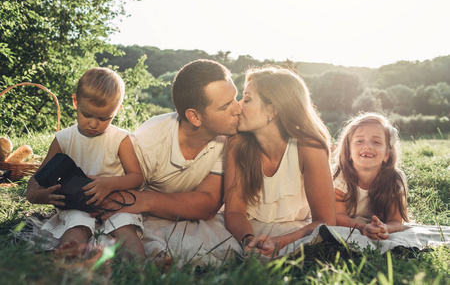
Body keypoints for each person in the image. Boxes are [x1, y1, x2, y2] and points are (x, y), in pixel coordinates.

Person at [97, 59, 242, 265]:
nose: (238, 109)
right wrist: (137, 199)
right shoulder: (150, 139)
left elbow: (208, 203)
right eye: (226, 106)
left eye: (235, 98)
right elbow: (114, 201)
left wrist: (145, 199)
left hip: (154, 207)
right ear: (195, 117)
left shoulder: (227, 138)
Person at [26, 67, 145, 259]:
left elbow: (137, 177)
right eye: (87, 115)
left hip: (113, 203)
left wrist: (109, 184)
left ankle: (142, 270)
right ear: (75, 102)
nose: (93, 124)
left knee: (125, 230)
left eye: (104, 118)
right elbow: (35, 184)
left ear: (117, 111)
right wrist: (44, 196)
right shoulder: (63, 139)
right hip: (76, 205)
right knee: (76, 230)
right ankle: (68, 265)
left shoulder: (121, 139)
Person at [223, 66, 336, 257]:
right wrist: (249, 241)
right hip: (246, 227)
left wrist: (278, 242)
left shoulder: (309, 148)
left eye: (247, 99)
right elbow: (234, 212)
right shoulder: (237, 144)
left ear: (272, 110)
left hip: (294, 229)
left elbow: (325, 221)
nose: (238, 106)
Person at [333, 112, 409, 240]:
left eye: (376, 142)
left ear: (387, 154)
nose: (367, 146)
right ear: (349, 152)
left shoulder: (394, 179)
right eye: (360, 141)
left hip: (376, 223)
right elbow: (337, 215)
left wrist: (384, 228)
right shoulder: (340, 175)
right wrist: (363, 228)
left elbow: (396, 221)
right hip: (350, 223)